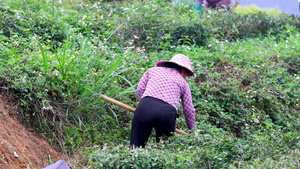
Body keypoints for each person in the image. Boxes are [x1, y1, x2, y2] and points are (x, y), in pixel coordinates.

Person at [130, 54, 196, 148]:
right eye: (186, 73)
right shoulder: (183, 83)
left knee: (135, 147)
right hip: (166, 114)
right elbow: (189, 110)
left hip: (144, 107)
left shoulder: (152, 71)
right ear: (183, 70)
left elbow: (140, 89)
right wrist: (192, 130)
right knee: (164, 150)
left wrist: (145, 106)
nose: (185, 77)